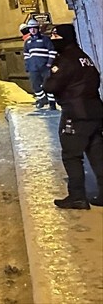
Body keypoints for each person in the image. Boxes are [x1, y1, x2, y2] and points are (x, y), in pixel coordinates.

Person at [43, 23, 103, 210]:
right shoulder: (84, 58)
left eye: (55, 38)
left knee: (71, 155)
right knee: (97, 154)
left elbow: (51, 86)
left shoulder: (65, 61)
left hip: (76, 114)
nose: (53, 42)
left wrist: (48, 77)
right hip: (94, 111)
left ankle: (77, 196)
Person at [22, 20, 58, 110]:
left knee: (48, 85)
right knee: (35, 85)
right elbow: (26, 55)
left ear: (38, 29)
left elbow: (52, 51)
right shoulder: (28, 42)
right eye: (31, 28)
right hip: (34, 68)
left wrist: (49, 63)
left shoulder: (45, 39)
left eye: (34, 28)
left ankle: (52, 103)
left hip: (45, 67)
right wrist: (28, 66)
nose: (33, 30)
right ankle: (42, 99)